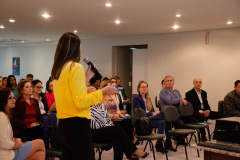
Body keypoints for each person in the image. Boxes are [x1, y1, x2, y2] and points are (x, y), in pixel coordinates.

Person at [51, 32, 118, 160]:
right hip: (77, 126)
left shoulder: (58, 70)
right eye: (80, 46)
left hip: (63, 125)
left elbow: (71, 94)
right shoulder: (75, 67)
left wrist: (86, 78)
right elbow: (80, 101)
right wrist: (103, 91)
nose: (81, 49)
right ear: (75, 48)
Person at [88, 86, 149, 160]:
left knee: (117, 138)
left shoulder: (101, 106)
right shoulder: (87, 108)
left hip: (104, 130)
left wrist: (109, 125)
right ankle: (133, 150)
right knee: (117, 128)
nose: (95, 95)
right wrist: (108, 126)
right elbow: (94, 125)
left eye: (96, 93)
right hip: (94, 133)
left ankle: (129, 153)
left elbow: (107, 119)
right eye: (93, 94)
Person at [0, 88, 46, 160]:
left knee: (39, 155)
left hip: (10, 149)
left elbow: (6, 138)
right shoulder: (1, 116)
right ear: (3, 100)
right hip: (5, 154)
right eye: (10, 98)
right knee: (40, 142)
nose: (13, 100)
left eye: (14, 97)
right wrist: (16, 145)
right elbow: (3, 143)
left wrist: (16, 140)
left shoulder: (5, 115)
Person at [133, 80, 176, 153]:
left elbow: (152, 110)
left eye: (146, 87)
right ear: (138, 88)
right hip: (143, 121)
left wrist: (155, 113)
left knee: (166, 119)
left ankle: (167, 141)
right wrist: (152, 114)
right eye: (142, 87)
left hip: (150, 118)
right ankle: (159, 143)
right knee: (162, 122)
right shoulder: (136, 98)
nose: (144, 88)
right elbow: (140, 114)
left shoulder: (148, 98)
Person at [160, 75, 198, 144]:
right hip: (169, 115)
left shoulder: (176, 91)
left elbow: (180, 102)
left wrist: (180, 100)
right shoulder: (163, 92)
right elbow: (170, 101)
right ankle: (180, 139)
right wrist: (180, 99)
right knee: (181, 124)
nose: (169, 82)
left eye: (171, 81)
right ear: (165, 83)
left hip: (178, 113)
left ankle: (178, 137)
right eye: (167, 81)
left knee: (194, 121)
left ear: (173, 82)